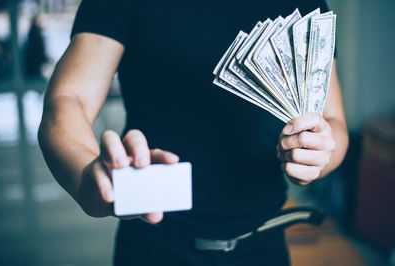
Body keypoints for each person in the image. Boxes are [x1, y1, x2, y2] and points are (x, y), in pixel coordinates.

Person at [38, 0, 348, 265]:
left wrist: (320, 152)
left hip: (264, 243)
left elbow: (333, 120)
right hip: (154, 242)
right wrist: (83, 174)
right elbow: (69, 98)